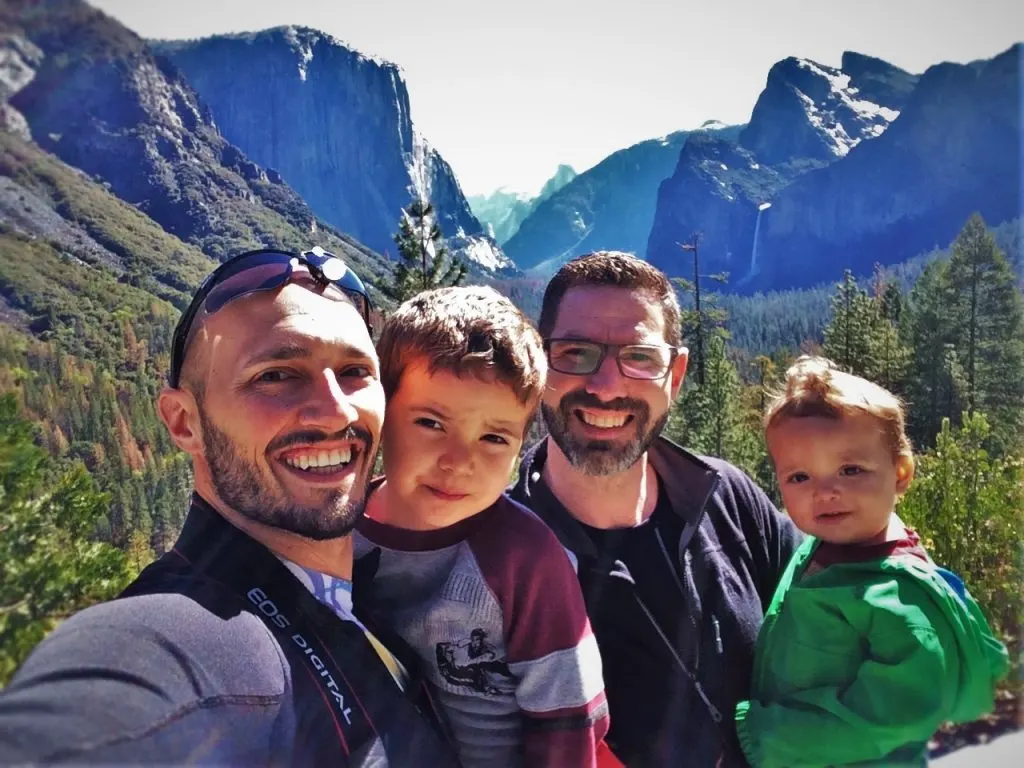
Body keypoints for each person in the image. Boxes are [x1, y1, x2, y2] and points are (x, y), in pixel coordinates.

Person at [0, 247, 458, 766]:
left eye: (355, 371)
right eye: (276, 374)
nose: (336, 412)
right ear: (183, 422)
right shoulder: (197, 637)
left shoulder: (392, 582)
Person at [508, 251, 802, 767]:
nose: (605, 386)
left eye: (639, 357)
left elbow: (835, 606)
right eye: (576, 353)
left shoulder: (729, 501)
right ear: (540, 363)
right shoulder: (498, 559)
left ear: (677, 373)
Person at [353, 286, 611, 768]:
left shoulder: (524, 560)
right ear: (383, 413)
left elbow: (570, 720)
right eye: (431, 423)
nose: (460, 462)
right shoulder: (337, 530)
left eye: (494, 437)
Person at [734, 357, 1009, 767]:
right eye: (799, 477)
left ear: (900, 473)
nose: (824, 492)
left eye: (850, 470)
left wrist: (761, 735)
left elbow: (891, 717)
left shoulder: (900, 599)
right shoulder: (829, 546)